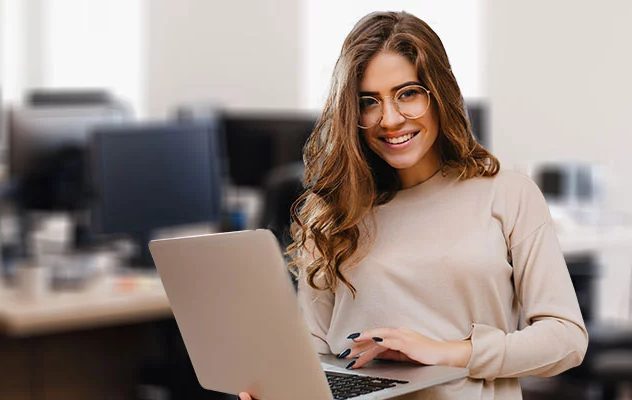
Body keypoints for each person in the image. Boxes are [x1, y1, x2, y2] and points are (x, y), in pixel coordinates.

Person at [240, 11, 587, 399]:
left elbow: (566, 339)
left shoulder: (508, 195)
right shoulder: (332, 213)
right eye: (369, 102)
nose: (389, 119)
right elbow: (314, 349)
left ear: (438, 93)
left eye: (407, 93)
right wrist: (281, 387)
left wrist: (449, 353)